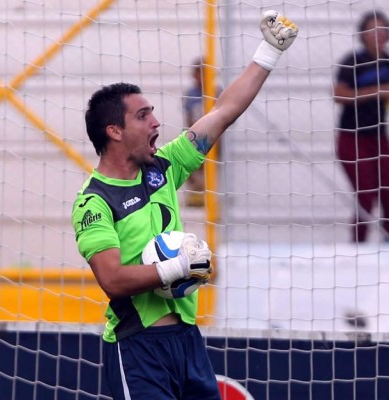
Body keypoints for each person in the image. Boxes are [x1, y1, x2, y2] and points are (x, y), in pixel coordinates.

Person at [71, 10, 298, 400]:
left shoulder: (165, 167)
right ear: (115, 131)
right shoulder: (94, 202)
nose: (156, 122)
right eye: (143, 116)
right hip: (137, 348)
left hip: (188, 342)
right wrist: (177, 267)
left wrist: (269, 52)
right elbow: (112, 279)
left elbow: (223, 111)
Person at [333, 10, 389, 243]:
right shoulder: (352, 61)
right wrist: (376, 91)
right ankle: (358, 246)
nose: (378, 34)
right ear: (363, 34)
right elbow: (339, 95)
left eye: (382, 30)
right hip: (351, 138)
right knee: (366, 193)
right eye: (372, 30)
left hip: (380, 137)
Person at [182, 58, 222, 207]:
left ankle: (210, 194)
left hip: (214, 136)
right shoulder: (191, 94)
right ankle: (195, 193)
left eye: (204, 73)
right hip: (196, 134)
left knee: (210, 164)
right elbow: (188, 117)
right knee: (190, 162)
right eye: (198, 73)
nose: (201, 77)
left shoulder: (217, 92)